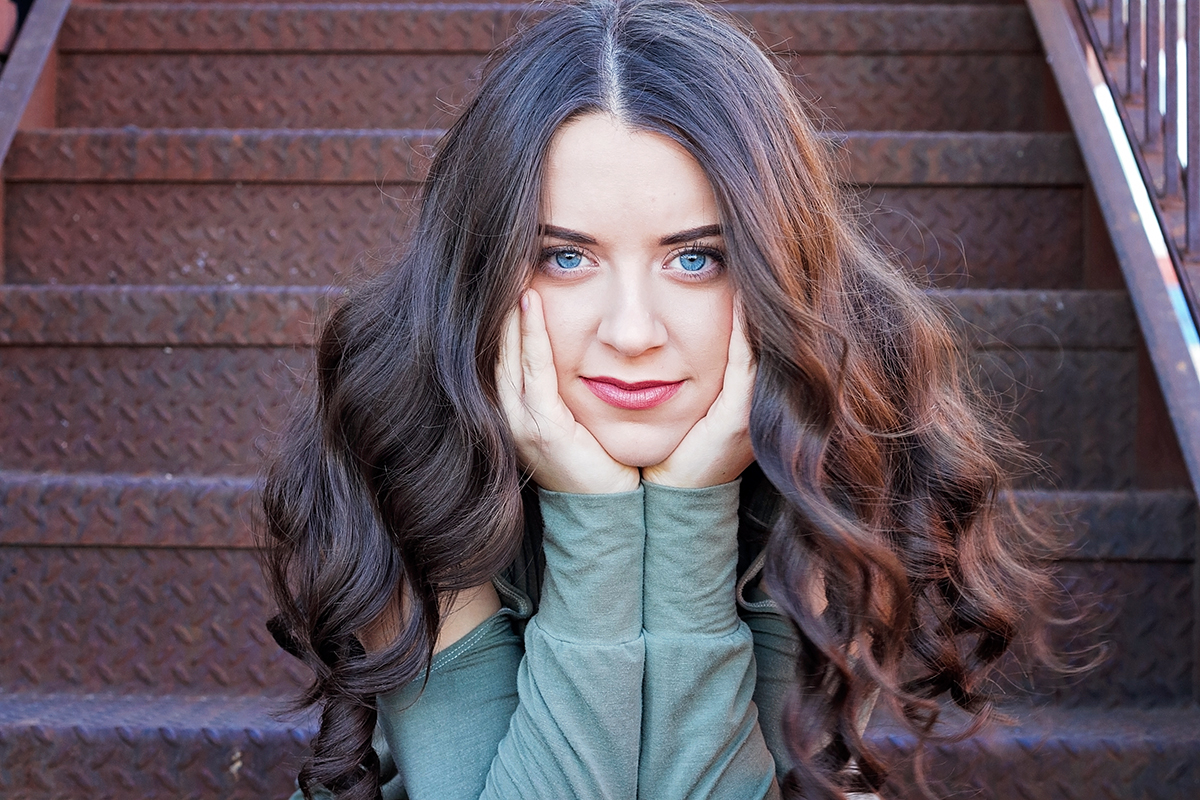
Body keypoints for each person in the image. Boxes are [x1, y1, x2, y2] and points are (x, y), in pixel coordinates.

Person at [260, 0, 1060, 798]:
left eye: (696, 260)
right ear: (484, 269)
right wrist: (597, 523)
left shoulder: (832, 452)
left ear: (773, 266)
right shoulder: (415, 450)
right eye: (567, 258)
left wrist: (692, 514)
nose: (633, 331)